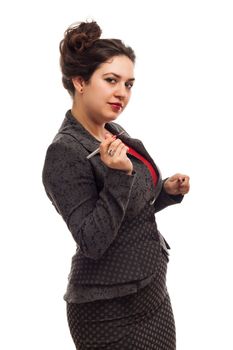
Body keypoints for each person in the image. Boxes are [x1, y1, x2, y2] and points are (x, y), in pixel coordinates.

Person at [42, 20, 190, 350]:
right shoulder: (64, 152)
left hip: (152, 293)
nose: (122, 92)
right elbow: (92, 241)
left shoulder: (114, 131)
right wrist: (119, 176)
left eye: (129, 83)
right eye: (111, 80)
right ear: (80, 81)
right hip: (105, 312)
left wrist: (164, 190)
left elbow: (132, 207)